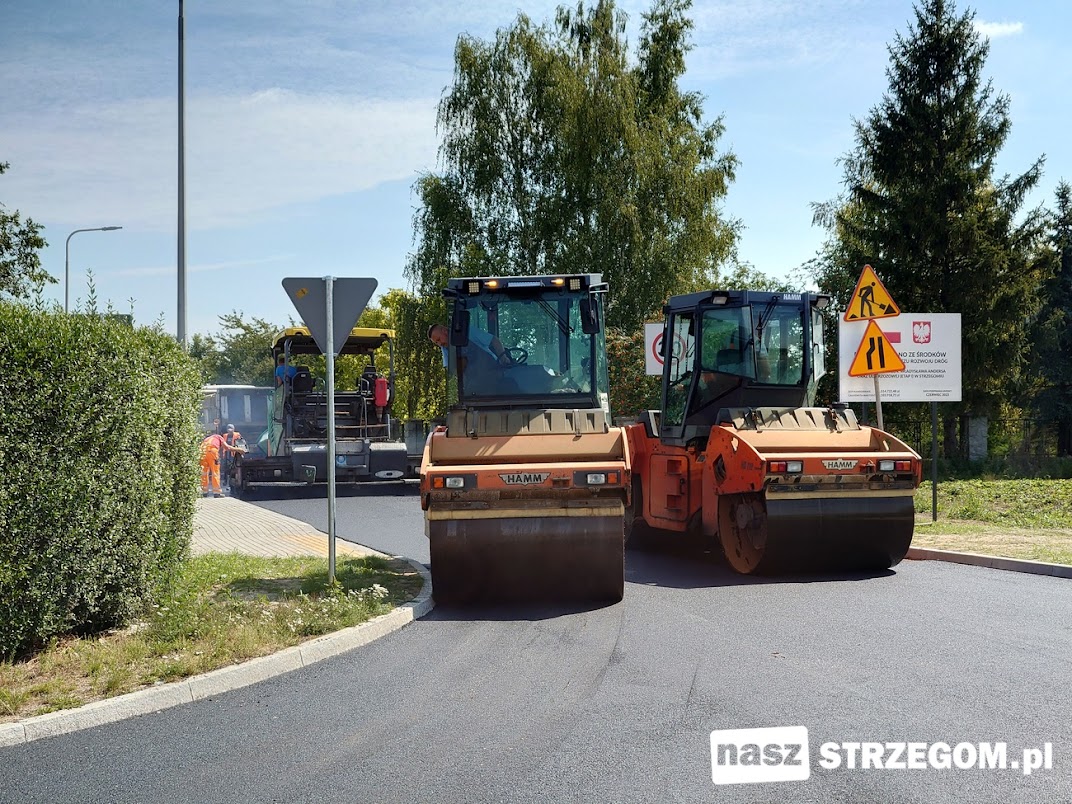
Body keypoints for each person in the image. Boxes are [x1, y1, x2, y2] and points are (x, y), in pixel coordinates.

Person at [427, 323, 512, 369]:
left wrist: (504, 359)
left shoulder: (467, 332)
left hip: (494, 371)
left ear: (445, 331)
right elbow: (452, 373)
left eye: (438, 340)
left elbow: (494, 340)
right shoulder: (445, 348)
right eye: (436, 343)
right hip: (473, 389)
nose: (439, 344)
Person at [200, 432, 240, 498]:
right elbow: (227, 447)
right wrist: (239, 450)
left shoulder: (207, 439)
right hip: (212, 452)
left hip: (202, 452)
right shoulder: (219, 437)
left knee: (204, 473)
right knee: (215, 472)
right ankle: (217, 492)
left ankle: (204, 492)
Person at [221, 424, 243, 490]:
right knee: (225, 468)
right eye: (228, 429)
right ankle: (225, 481)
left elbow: (240, 443)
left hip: (233, 453)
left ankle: (232, 480)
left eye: (231, 428)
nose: (229, 430)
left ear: (234, 429)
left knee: (233, 467)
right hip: (226, 453)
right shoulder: (225, 435)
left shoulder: (237, 435)